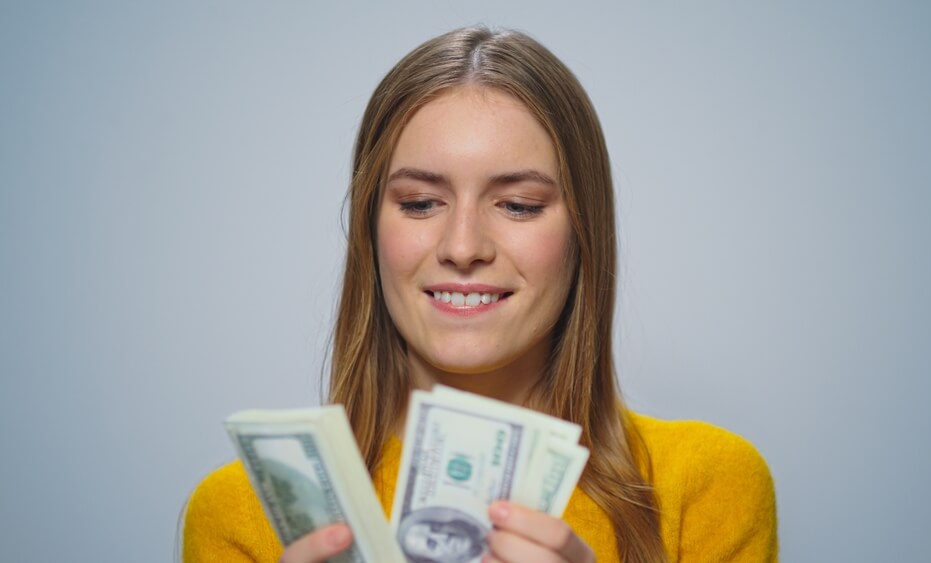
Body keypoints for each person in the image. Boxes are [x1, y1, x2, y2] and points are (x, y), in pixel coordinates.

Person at [183, 26, 778, 562]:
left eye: (518, 205)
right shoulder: (242, 515)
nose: (463, 246)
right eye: (420, 203)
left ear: (583, 232)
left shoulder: (704, 487)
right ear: (370, 231)